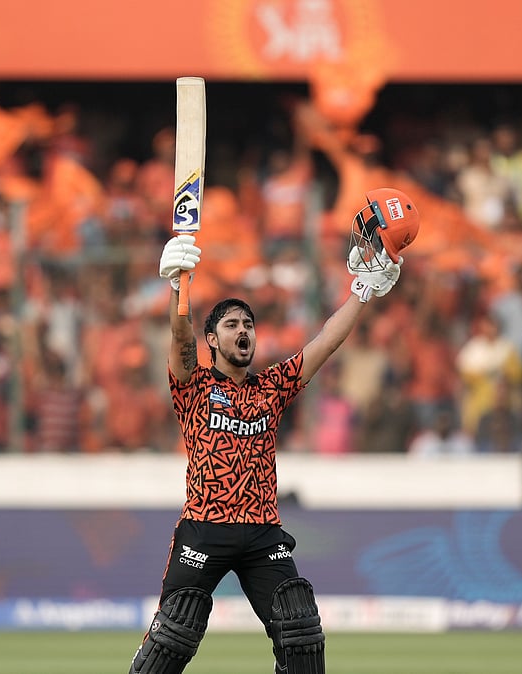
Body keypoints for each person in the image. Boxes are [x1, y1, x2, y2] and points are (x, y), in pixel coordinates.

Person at [128, 187, 419, 674]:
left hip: (262, 532)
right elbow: (179, 339)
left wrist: (363, 291)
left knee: (301, 633)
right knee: (173, 635)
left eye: (249, 324)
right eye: (231, 325)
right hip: (204, 529)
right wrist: (178, 286)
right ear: (212, 339)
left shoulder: (272, 387)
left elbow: (326, 342)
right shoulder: (195, 386)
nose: (243, 331)